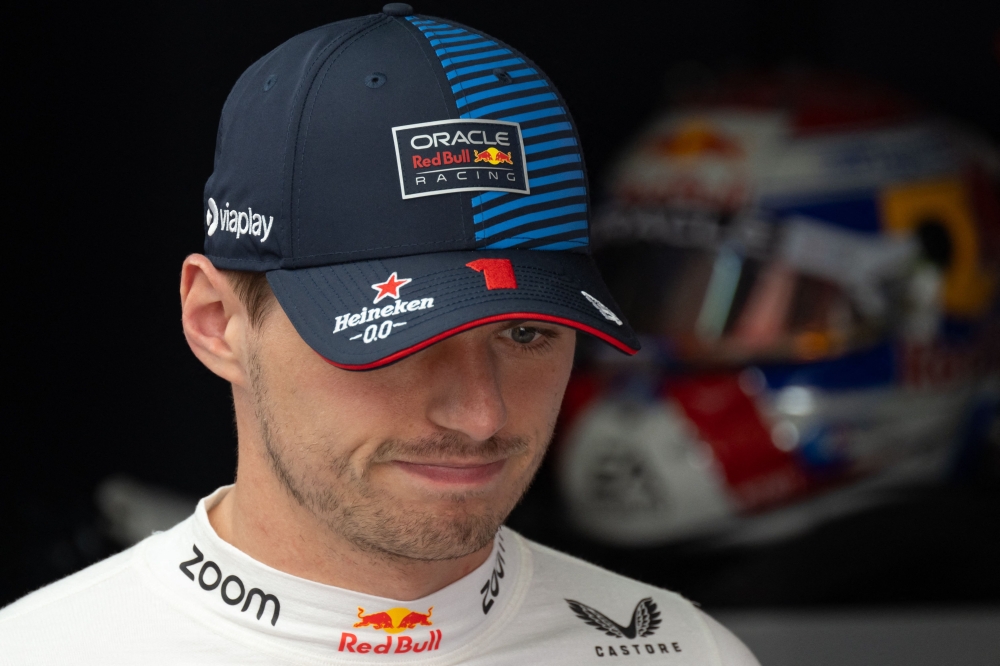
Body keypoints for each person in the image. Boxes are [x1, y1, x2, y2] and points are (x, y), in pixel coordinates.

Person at [0, 5, 759, 664]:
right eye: (397, 334)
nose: (482, 415)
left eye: (526, 333)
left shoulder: (686, 654)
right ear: (216, 323)